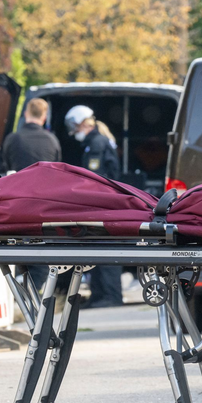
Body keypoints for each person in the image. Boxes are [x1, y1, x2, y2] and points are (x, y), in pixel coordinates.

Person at [0, 98, 61, 291]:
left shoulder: (13, 138)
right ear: (44, 116)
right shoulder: (52, 140)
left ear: (26, 114)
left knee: (17, 245)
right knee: (41, 245)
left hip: (17, 201)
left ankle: (18, 288)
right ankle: (35, 288)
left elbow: (3, 169)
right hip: (45, 203)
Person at [64, 105, 124, 308]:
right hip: (104, 204)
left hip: (104, 204)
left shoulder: (97, 143)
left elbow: (94, 179)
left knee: (107, 249)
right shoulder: (96, 142)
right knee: (99, 248)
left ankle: (110, 296)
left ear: (81, 122)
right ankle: (100, 295)